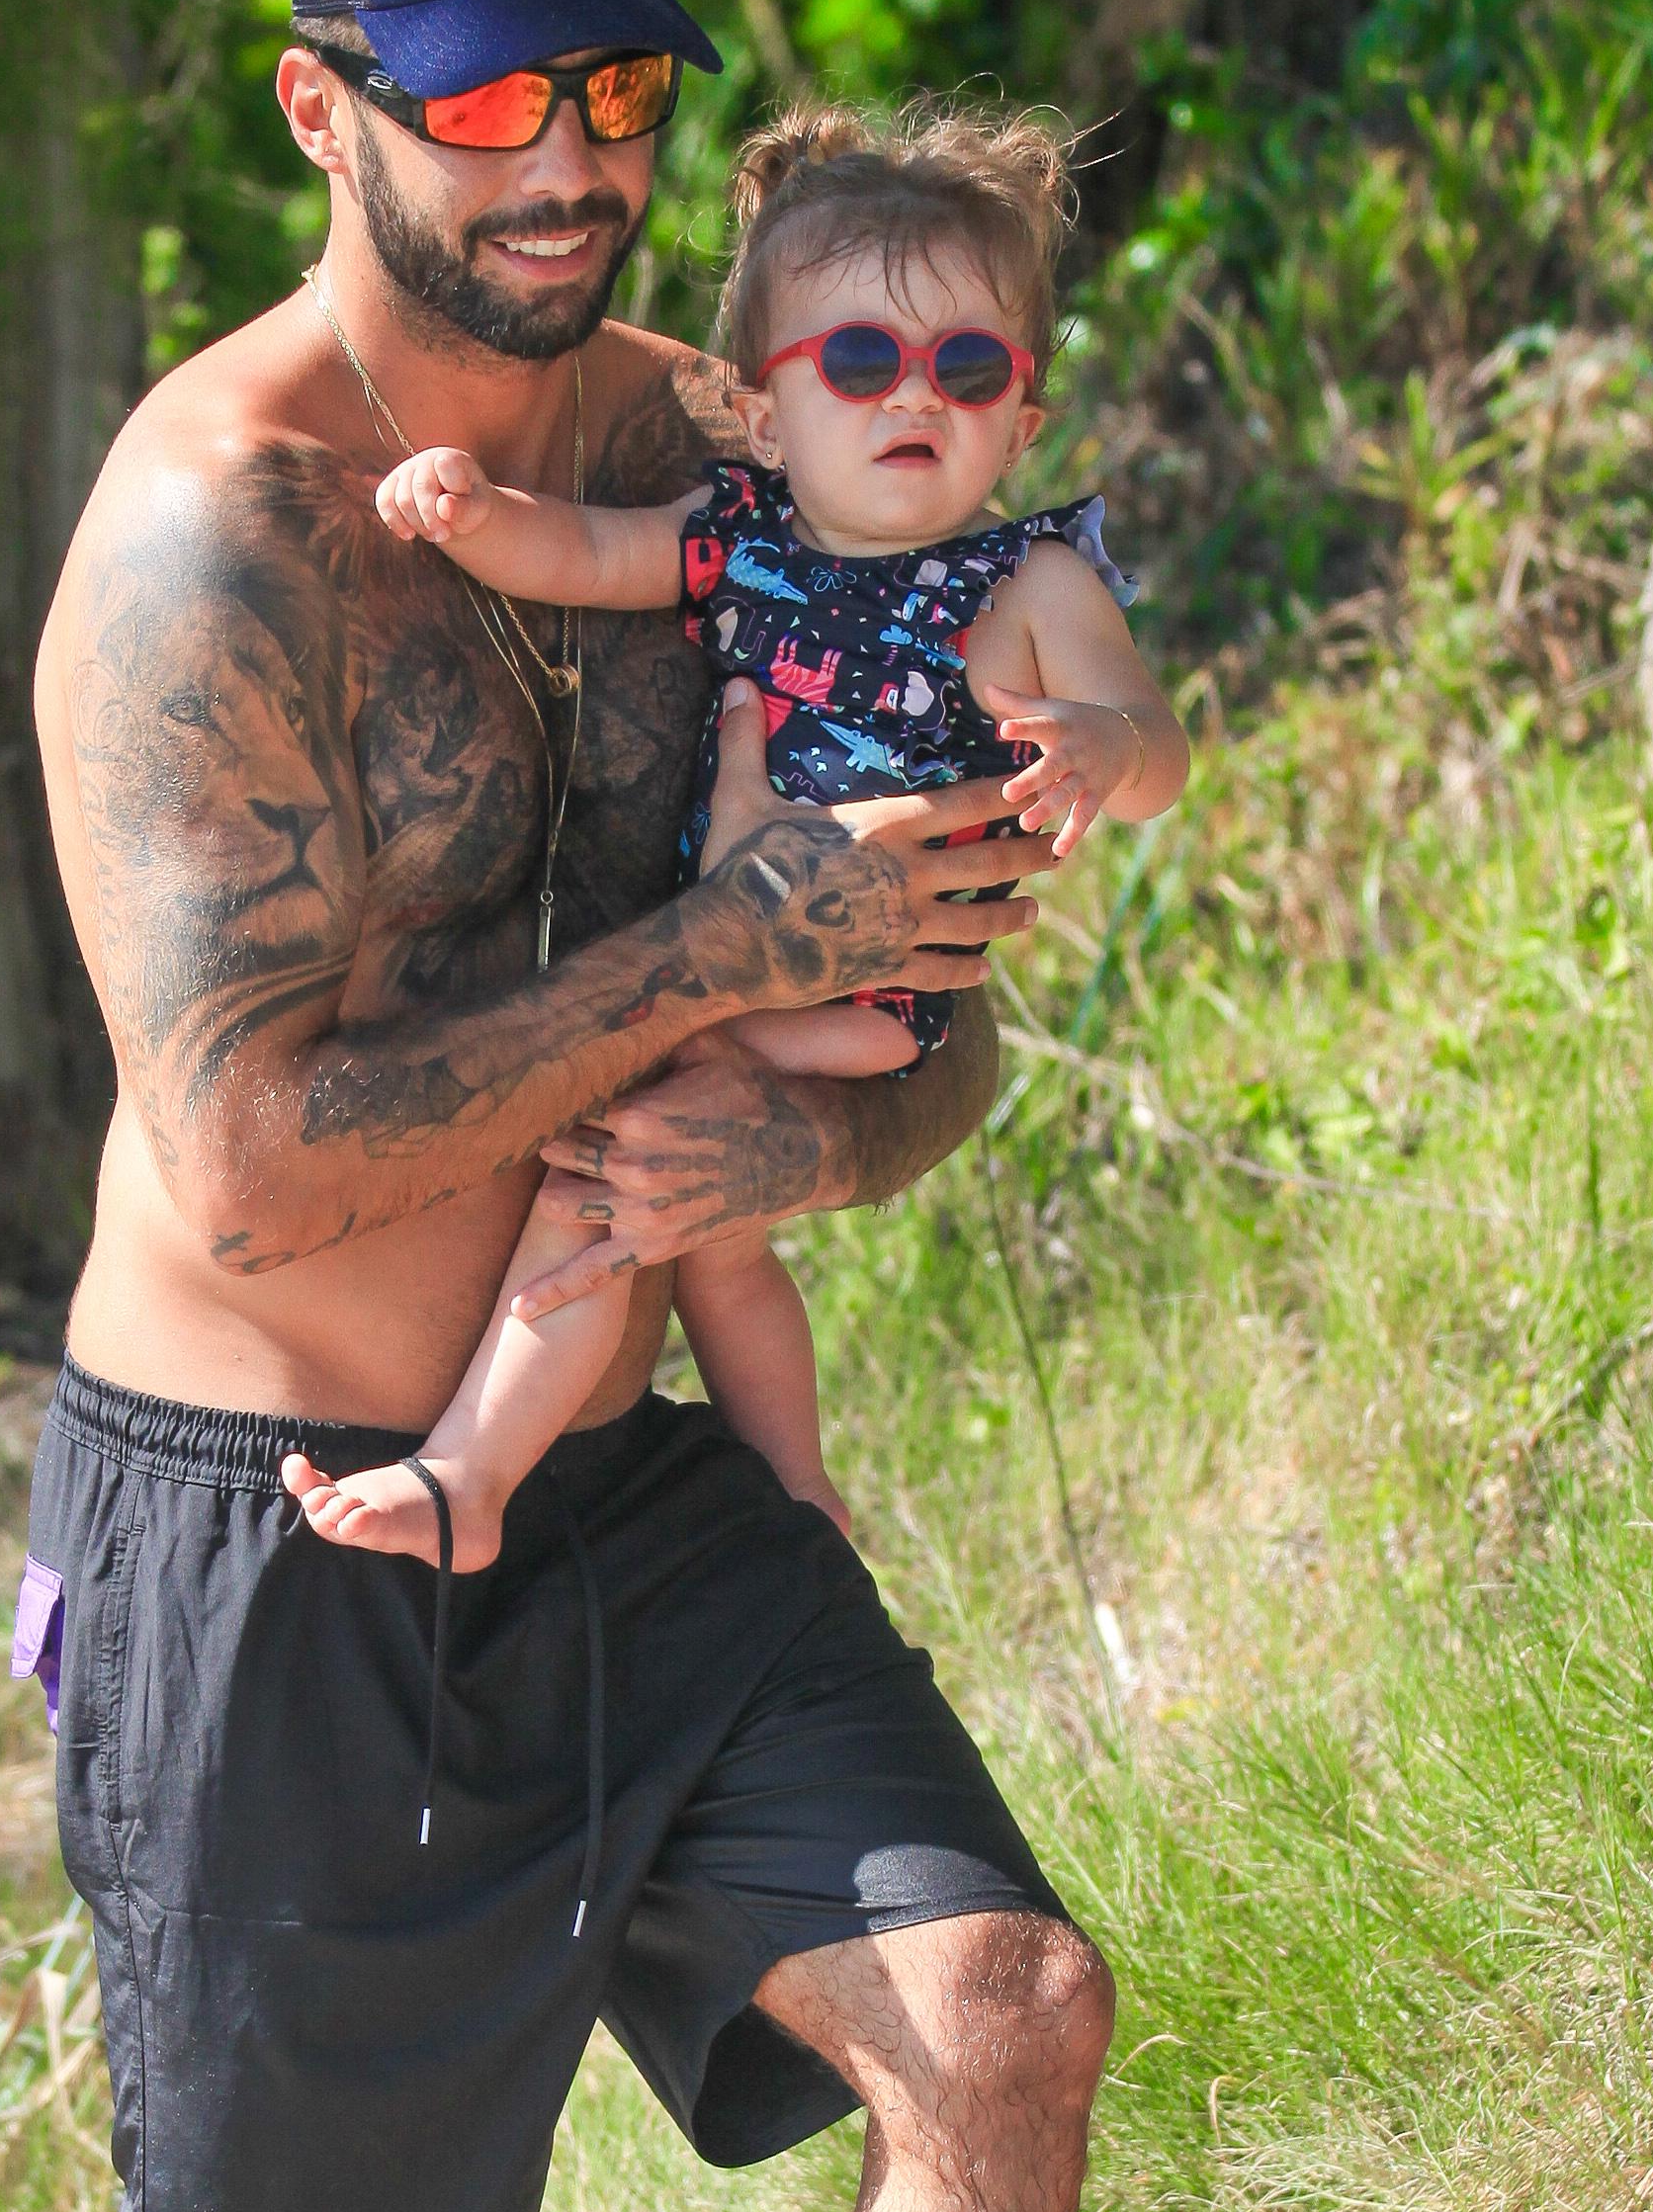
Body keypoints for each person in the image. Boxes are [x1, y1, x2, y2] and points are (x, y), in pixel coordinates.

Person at [0, 0, 1267, 2212]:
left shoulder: (745, 434)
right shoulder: (203, 537)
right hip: (278, 1527)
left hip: (631, 1459)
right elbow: (250, 1151)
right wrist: (723, 975)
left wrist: (810, 1105)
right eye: (494, 93)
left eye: (621, 84)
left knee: (998, 2013)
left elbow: (932, 1023)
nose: (568, 157)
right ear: (322, 102)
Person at [283, 98, 1188, 1567]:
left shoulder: (1024, 585)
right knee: (708, 1231)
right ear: (764, 413)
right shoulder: (741, 538)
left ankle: (468, 1476)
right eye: (858, 362)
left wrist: (1106, 745)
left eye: (967, 369)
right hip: (756, 948)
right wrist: (468, 510)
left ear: (1024, 418)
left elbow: (1161, 756)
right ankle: (800, 1498)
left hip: (873, 982)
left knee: (610, 1159)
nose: (916, 400)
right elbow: (585, 552)